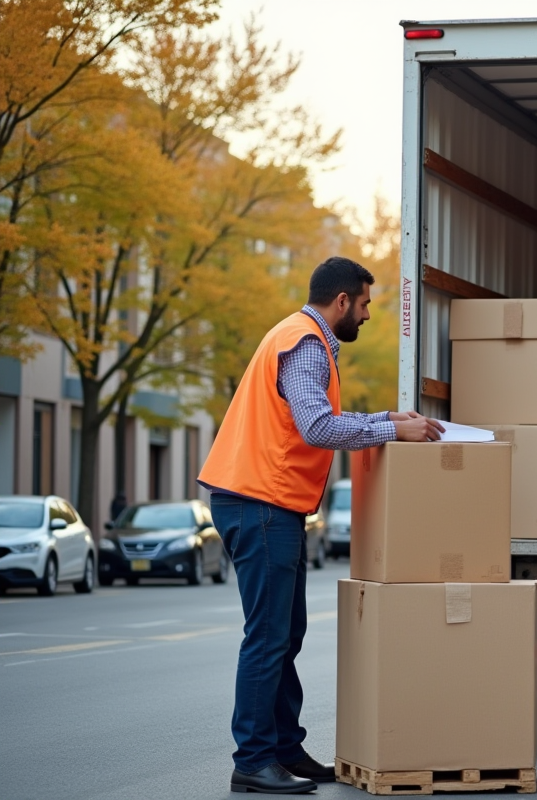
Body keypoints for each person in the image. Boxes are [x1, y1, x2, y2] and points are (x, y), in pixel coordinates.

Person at [198, 256, 444, 795]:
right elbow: (316, 426)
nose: (368, 315)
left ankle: (283, 749)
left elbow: (311, 419)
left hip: (262, 502)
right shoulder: (305, 343)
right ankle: (254, 760)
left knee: (286, 633)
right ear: (341, 302)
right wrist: (386, 429)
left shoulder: (300, 336)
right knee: (268, 636)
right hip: (260, 503)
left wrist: (386, 420)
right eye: (364, 305)